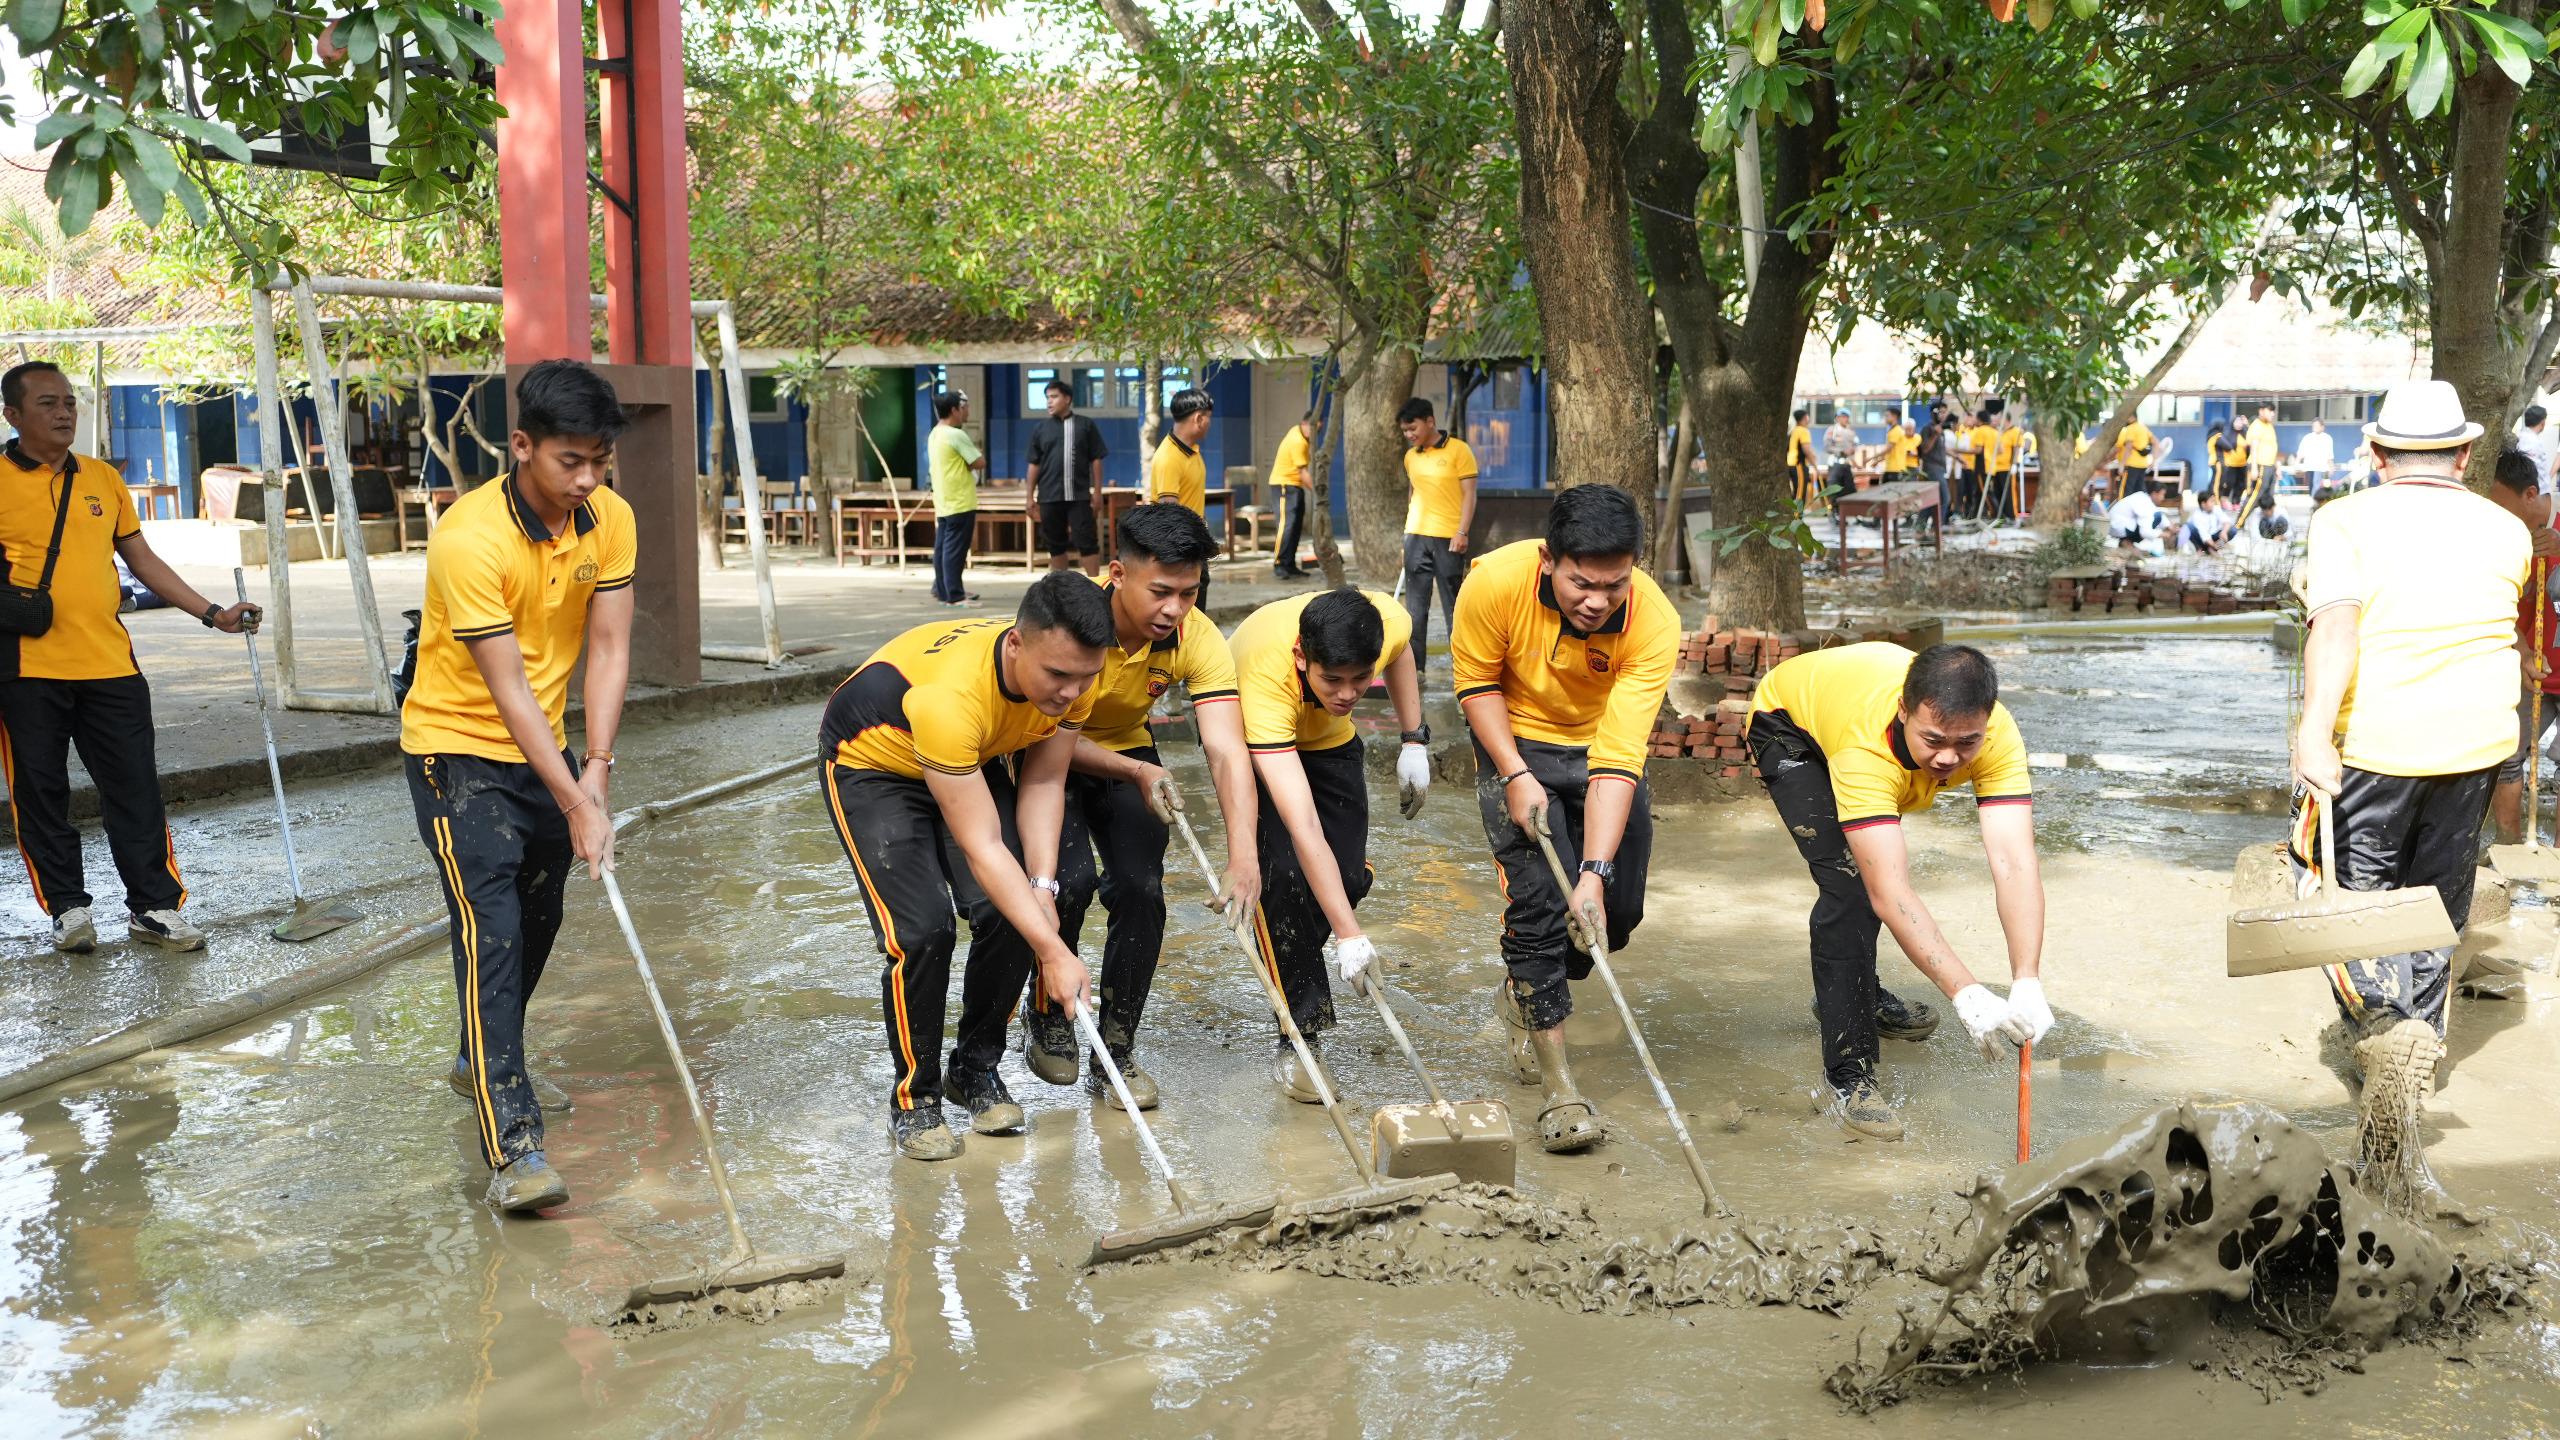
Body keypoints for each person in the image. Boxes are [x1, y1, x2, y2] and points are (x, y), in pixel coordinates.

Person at [401, 359, 634, 1212]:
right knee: (491, 928)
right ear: (522, 446)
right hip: (456, 753)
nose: (587, 480)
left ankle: (478, 1056)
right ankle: (516, 1148)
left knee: (543, 911)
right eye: (570, 462)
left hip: (550, 751)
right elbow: (505, 690)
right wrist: (576, 800)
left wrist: (595, 773)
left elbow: (607, 649)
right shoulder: (470, 538)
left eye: (599, 461)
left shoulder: (608, 519)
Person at [2294, 380, 2526, 1146]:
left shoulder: (2345, 520)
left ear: (2375, 453)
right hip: (2479, 746)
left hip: (2377, 744)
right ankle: (2417, 1049)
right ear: (2465, 453)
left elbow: (2336, 630)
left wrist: (2313, 733)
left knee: (2346, 899)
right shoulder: (2506, 528)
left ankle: (2383, 1032)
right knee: (2435, 905)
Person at [820, 574, 1111, 1161]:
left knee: (1013, 912)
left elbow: (1045, 778)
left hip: (967, 762)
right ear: (1015, 646)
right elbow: (981, 843)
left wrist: (1043, 884)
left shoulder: (1077, 679)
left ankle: (974, 1071)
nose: (1070, 691)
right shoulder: (951, 697)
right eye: (1057, 676)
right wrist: (1054, 952)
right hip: (874, 767)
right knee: (924, 930)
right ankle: (915, 1101)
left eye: (1085, 676)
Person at [0, 360, 259, 955]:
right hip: (26, 671)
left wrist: (210, 611)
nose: (64, 412)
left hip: (112, 666)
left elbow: (143, 561)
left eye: (69, 402)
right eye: (47, 403)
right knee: (42, 796)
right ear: (13, 416)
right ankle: (67, 909)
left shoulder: (101, 479)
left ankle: (154, 907)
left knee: (135, 789)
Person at [1747, 642, 2052, 1139]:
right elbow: (1889, 891)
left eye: (1966, 743)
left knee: (1862, 879)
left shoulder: (1996, 734)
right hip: (1790, 726)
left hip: (1845, 704)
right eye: (1933, 740)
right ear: (1903, 710)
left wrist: (2027, 979)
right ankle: (1848, 1076)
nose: (1949, 758)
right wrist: (1966, 993)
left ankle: (1854, 993)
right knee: (1850, 886)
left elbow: (2014, 860)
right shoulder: (1865, 747)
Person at [1015, 505, 1260, 1109]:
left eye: (1189, 592)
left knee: (1140, 888)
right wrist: (1136, 768)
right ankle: (1047, 1012)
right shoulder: (1073, 619)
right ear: (1119, 573)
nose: (1175, 610)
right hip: (1047, 753)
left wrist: (1243, 853)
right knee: (1066, 883)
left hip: (1129, 755)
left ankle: (1118, 1047)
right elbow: (1048, 731)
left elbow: (1226, 748)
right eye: (1161, 592)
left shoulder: (1197, 636)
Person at [1454, 485, 1676, 1153]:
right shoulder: (1493, 584)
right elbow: (1476, 683)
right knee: (1539, 910)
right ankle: (1558, 1084)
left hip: (1599, 747)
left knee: (1612, 915)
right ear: (1550, 560)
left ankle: (1527, 987)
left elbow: (1617, 755)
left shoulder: (1654, 620)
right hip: (1513, 739)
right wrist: (1514, 773)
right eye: (1583, 582)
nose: (1598, 600)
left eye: (1615, 584)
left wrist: (1595, 873)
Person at [1233, 585, 1427, 1098]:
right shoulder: (1267, 673)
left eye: (1361, 680)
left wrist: (1414, 739)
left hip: (1330, 741)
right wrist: (1349, 934)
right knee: (1286, 877)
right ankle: (1300, 1035)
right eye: (1332, 680)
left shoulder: (1385, 623)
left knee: (1342, 880)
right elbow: (1303, 826)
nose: (1347, 694)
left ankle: (1290, 950)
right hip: (1259, 739)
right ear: (1302, 656)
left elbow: (1402, 651)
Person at [2484, 448, 2560, 843]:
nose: (2495, 514)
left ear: (2531, 494)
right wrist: (2524, 651)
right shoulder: (2499, 536)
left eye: (2502, 504)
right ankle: (2508, 846)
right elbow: (2501, 606)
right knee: (2506, 755)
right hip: (2530, 667)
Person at [1397, 396, 1478, 670]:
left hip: (1449, 537)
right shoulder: (1411, 456)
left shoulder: (1459, 450)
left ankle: (1464, 668)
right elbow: (1413, 492)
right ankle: (1415, 669)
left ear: (1430, 421)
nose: (1409, 435)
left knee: (1454, 607)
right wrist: (1407, 535)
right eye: (1405, 431)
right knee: (1415, 611)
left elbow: (1469, 494)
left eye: (1413, 429)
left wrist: (1462, 531)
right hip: (1416, 536)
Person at [1025, 377, 1109, 576]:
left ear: (1068, 399)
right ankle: (1061, 589)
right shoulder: (1041, 429)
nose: (1049, 401)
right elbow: (1034, 464)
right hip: (1049, 497)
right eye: (1047, 397)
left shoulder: (1085, 425)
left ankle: (1094, 587)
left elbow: (1096, 459)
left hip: (1078, 496)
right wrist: (1029, 496)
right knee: (1055, 543)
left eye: (1054, 397)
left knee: (1087, 542)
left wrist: (1097, 492)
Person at [928, 389, 984, 606]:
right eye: (965, 408)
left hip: (944, 500)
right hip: (960, 500)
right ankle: (955, 595)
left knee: (943, 548)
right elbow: (978, 462)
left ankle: (944, 591)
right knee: (955, 551)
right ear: (954, 410)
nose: (967, 411)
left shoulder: (936, 433)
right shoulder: (956, 434)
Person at [1147, 387, 1213, 517]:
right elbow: (1170, 520)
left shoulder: (1193, 450)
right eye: (1208, 417)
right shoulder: (1168, 458)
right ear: (1198, 419)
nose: (1210, 423)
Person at [1268, 409, 1315, 580]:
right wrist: (1318, 495)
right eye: (1315, 428)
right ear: (1304, 424)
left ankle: (1290, 564)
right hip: (1283, 485)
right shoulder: (1298, 440)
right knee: (1286, 525)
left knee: (1296, 526)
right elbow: (1302, 472)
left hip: (1295, 486)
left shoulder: (1302, 436)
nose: (1316, 432)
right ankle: (1279, 563)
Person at [2106, 476, 2176, 549]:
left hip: (2115, 525)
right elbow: (2145, 532)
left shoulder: (2142, 497)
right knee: (2156, 517)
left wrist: (2169, 526)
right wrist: (2163, 534)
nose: (2163, 498)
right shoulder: (2144, 504)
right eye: (2162, 494)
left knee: (2158, 516)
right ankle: (2127, 542)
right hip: (2118, 527)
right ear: (2155, 494)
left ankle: (2126, 541)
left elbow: (2157, 513)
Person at [2112, 414, 2158, 503]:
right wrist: (2153, 461)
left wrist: (2122, 464)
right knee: (2140, 491)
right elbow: (2156, 443)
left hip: (2131, 465)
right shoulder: (2143, 428)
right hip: (2143, 465)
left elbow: (2128, 447)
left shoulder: (2130, 428)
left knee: (2126, 491)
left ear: (2132, 416)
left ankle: (2124, 512)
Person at [2515, 404, 2556, 496]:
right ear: (2542, 423)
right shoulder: (2531, 441)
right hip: (2536, 494)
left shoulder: (2524, 437)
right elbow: (2529, 470)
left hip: (2534, 492)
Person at [1822, 407, 1859, 502]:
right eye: (1842, 417)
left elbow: (1856, 444)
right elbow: (1827, 447)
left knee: (1849, 488)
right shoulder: (1832, 430)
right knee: (1834, 487)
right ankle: (1834, 511)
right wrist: (1841, 451)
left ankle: (1848, 512)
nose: (1845, 419)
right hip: (1835, 463)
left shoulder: (1851, 431)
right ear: (1837, 418)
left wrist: (1853, 450)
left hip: (1847, 463)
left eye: (1847, 417)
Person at [2247, 405, 2281, 500]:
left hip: (2270, 466)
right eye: (2270, 410)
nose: (2273, 414)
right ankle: (2241, 516)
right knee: (2256, 496)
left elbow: (2273, 447)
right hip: (2260, 465)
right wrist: (2254, 468)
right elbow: (2254, 448)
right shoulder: (2257, 425)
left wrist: (2277, 467)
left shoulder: (2269, 426)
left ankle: (2265, 515)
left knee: (2268, 498)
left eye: (2273, 411)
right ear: (2261, 411)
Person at [2296, 417, 2337, 491]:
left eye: (2317, 426)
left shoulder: (2327, 438)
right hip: (2310, 467)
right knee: (2311, 488)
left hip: (2322, 468)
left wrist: (2331, 467)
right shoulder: (2307, 438)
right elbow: (2300, 453)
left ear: (2322, 427)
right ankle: (2313, 500)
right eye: (2314, 426)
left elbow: (2329, 455)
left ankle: (2318, 501)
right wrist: (2296, 464)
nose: (2315, 428)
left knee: (2320, 489)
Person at [1787, 408, 1817, 508]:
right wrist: (1814, 464)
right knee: (1800, 493)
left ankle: (1794, 517)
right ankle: (1797, 518)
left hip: (1790, 464)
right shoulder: (1803, 431)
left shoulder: (1793, 430)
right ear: (1805, 418)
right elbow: (1806, 450)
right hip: (1798, 465)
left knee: (1796, 491)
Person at [1882, 408, 1919, 480]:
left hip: (1909, 466)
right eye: (1906, 429)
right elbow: (1893, 450)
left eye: (1910, 429)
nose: (1908, 431)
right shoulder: (1901, 435)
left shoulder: (1917, 438)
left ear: (1914, 429)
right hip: (1902, 466)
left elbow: (1921, 452)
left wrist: (1914, 454)